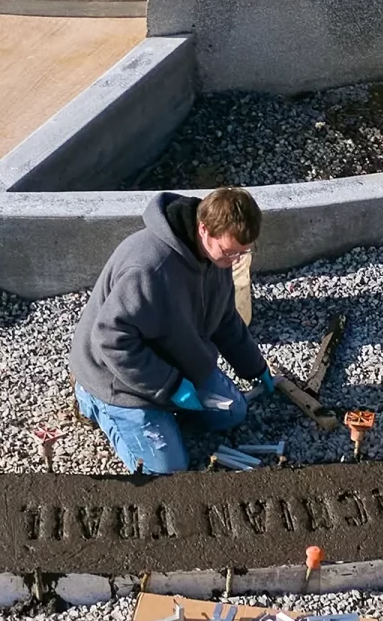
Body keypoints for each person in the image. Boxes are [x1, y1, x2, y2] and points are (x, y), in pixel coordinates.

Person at [68, 185, 273, 476]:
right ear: (204, 229)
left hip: (177, 361)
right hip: (119, 380)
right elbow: (112, 340)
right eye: (231, 252)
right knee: (169, 471)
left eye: (243, 252)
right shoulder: (149, 268)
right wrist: (170, 385)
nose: (236, 261)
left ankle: (165, 411)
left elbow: (225, 318)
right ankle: (91, 403)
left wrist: (254, 367)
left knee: (232, 413)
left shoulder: (217, 257)